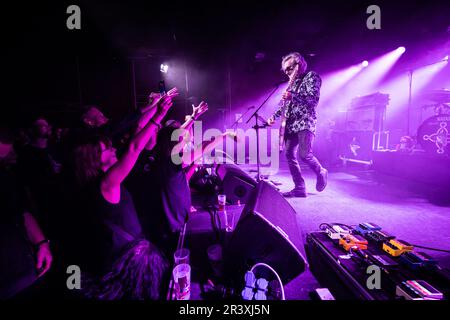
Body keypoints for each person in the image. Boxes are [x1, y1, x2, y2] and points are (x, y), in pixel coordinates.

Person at [71, 88, 178, 300]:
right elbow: (133, 148)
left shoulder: (102, 183)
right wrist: (158, 115)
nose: (113, 151)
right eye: (106, 150)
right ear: (94, 160)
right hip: (130, 267)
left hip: (128, 259)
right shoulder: (106, 184)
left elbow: (135, 138)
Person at [0, 127, 52, 299]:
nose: (11, 154)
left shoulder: (6, 177)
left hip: (24, 267)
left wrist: (41, 242)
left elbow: (20, 209)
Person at [268, 52, 328, 197]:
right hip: (291, 125)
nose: (287, 72)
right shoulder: (291, 84)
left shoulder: (311, 77)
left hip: (305, 122)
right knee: (289, 154)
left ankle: (321, 171)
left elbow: (313, 100)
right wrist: (273, 117)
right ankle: (300, 187)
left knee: (305, 154)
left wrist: (292, 96)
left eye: (290, 68)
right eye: (285, 70)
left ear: (299, 65)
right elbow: (285, 107)